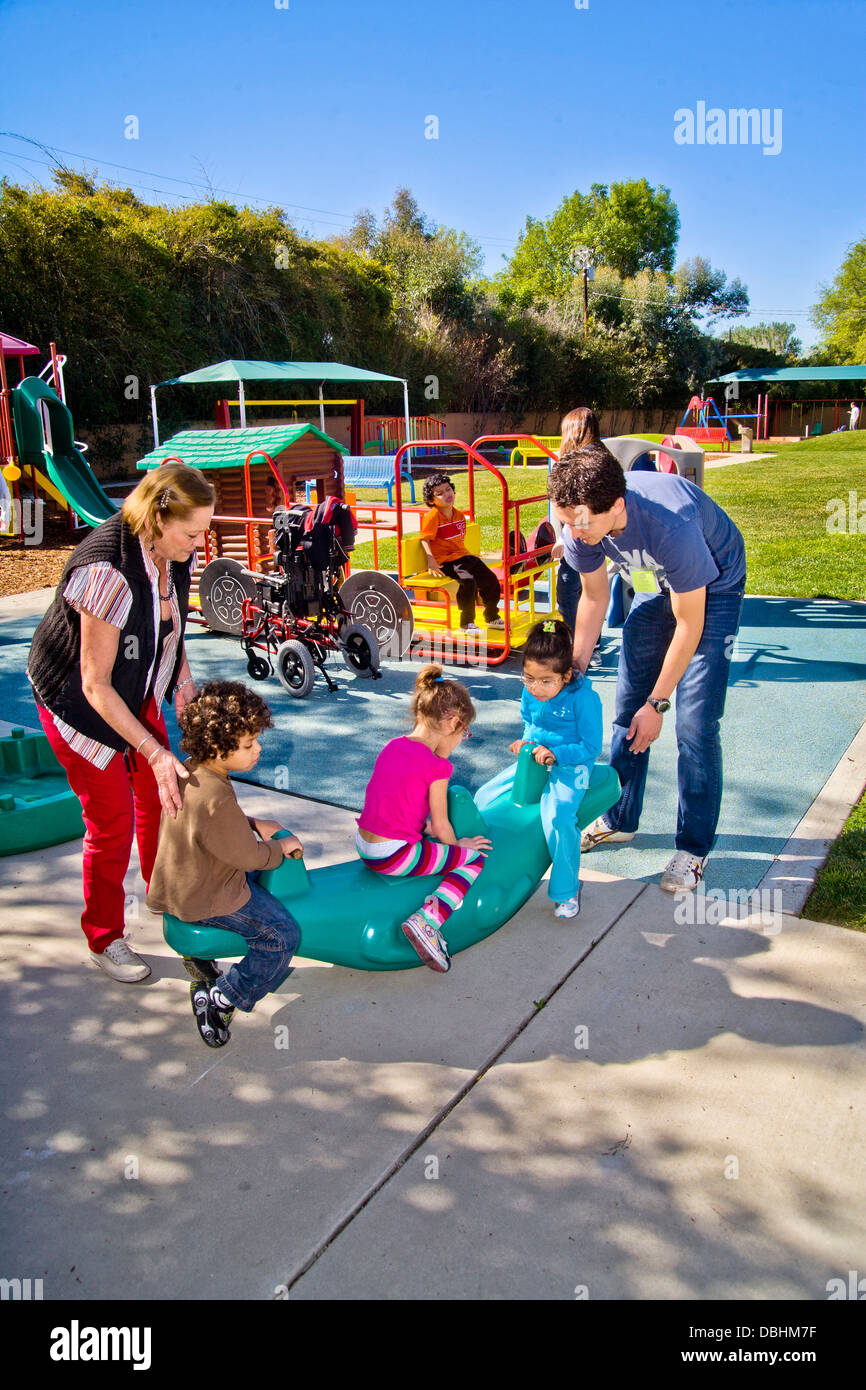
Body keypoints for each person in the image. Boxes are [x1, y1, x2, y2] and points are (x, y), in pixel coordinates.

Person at [27, 462, 215, 982]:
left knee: (163, 797)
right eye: (192, 531)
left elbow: (171, 627)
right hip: (81, 703)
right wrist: (153, 751)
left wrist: (182, 682)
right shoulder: (106, 572)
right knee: (111, 824)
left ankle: (164, 893)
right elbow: (94, 684)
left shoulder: (172, 550)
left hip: (129, 688)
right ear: (158, 518)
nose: (198, 544)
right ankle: (104, 937)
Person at [548, 444, 746, 892]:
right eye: (566, 519)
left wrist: (658, 703)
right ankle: (620, 817)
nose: (573, 532)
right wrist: (573, 673)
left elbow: (690, 623)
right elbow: (595, 598)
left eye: (582, 522)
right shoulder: (582, 525)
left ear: (616, 506)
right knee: (626, 710)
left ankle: (693, 848)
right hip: (659, 583)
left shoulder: (669, 525)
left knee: (695, 723)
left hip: (713, 587)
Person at [146, 681, 302, 1048]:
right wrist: (280, 847)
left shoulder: (193, 772)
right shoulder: (216, 795)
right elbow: (250, 857)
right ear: (218, 747)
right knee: (281, 937)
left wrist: (251, 823)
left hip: (184, 884)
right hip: (208, 896)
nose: (258, 749)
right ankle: (224, 996)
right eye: (249, 745)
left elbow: (216, 826)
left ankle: (200, 962)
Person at [356, 664, 492, 972]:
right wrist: (458, 847)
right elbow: (442, 825)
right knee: (473, 860)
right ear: (452, 722)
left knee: (430, 843)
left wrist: (425, 827)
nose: (459, 742)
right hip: (393, 856)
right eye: (463, 733)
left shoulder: (393, 746)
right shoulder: (437, 766)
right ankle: (428, 920)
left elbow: (393, 802)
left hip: (364, 846)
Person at [475, 619, 602, 918]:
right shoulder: (531, 692)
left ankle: (566, 892)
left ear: (566, 675)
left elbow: (590, 747)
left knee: (558, 817)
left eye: (546, 681)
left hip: (571, 766)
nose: (536, 688)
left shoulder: (584, 699)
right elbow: (531, 723)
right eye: (528, 678)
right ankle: (480, 866)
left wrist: (556, 754)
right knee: (484, 796)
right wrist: (526, 742)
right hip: (535, 759)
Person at [419, 472, 504, 631]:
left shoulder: (458, 515)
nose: (446, 494)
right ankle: (466, 623)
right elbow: (424, 538)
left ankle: (491, 616)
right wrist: (431, 560)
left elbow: (458, 539)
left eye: (448, 489)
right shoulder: (433, 517)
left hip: (462, 557)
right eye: (440, 493)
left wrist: (470, 557)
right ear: (432, 501)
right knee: (468, 582)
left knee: (491, 579)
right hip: (445, 562)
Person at [553, 409, 604, 668]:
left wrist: (570, 535)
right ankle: (576, 641)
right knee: (569, 588)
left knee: (588, 590)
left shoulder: (593, 462)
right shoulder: (565, 462)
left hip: (591, 536)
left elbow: (584, 508)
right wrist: (562, 535)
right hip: (577, 534)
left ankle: (589, 644)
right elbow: (562, 506)